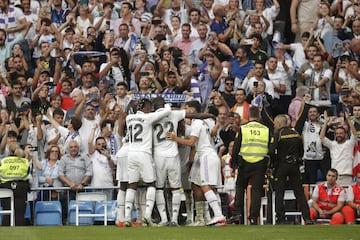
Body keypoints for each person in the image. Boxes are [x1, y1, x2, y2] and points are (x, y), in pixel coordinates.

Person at [166, 100, 226, 226]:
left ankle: (218, 215)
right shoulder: (208, 121)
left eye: (186, 108)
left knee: (206, 186)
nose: (185, 110)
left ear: (192, 110)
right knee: (197, 185)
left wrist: (175, 138)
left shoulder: (197, 123)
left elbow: (192, 142)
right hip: (205, 156)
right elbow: (213, 132)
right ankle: (201, 219)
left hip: (205, 155)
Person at [123, 98, 171, 227]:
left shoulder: (129, 119)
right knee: (152, 183)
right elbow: (167, 111)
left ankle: (127, 217)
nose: (151, 109)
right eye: (150, 107)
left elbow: (129, 112)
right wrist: (166, 105)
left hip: (131, 153)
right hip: (144, 153)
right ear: (145, 108)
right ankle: (147, 216)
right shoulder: (148, 117)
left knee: (132, 184)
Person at [229, 106, 270, 224]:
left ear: (248, 115)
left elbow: (236, 147)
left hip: (245, 162)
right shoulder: (265, 129)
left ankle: (238, 214)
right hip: (260, 163)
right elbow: (269, 148)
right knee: (256, 191)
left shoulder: (243, 129)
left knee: (240, 188)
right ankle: (253, 217)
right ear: (259, 116)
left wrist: (233, 163)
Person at [269, 114, 313, 225]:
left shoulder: (277, 134)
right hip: (294, 166)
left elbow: (271, 151)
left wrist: (272, 165)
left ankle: (280, 218)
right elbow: (301, 151)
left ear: (278, 123)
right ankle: (307, 217)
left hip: (281, 165)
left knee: (279, 193)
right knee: (299, 193)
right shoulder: (295, 134)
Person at [58, 140, 92, 223]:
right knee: (67, 209)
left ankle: (84, 222)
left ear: (79, 148)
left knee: (83, 209)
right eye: (71, 147)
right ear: (68, 149)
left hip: (83, 188)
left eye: (75, 147)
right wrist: (71, 184)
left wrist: (82, 183)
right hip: (68, 189)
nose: (73, 149)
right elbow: (60, 174)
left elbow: (89, 172)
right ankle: (66, 223)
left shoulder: (85, 157)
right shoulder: (64, 159)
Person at [320, 111, 357, 186]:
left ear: (345, 134)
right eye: (336, 133)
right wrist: (326, 122)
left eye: (341, 133)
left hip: (347, 176)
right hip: (334, 177)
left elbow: (354, 134)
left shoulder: (349, 144)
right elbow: (322, 137)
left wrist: (348, 120)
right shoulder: (332, 144)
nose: (338, 135)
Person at [0, 142, 30, 226]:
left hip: (6, 188)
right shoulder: (24, 161)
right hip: (21, 188)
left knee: (7, 211)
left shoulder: (3, 161)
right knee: (20, 213)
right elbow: (28, 174)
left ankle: (6, 230)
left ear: (9, 150)